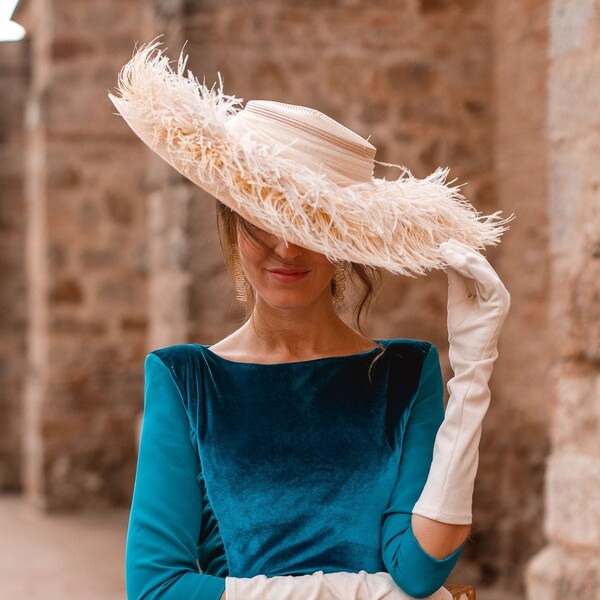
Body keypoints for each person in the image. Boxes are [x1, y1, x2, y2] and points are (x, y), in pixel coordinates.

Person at [109, 39, 511, 600]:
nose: (286, 248)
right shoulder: (185, 380)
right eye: (263, 218)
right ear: (230, 219)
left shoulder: (404, 372)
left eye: (311, 223)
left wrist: (473, 371)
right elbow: (154, 588)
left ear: (344, 240)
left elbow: (419, 571)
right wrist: (359, 593)